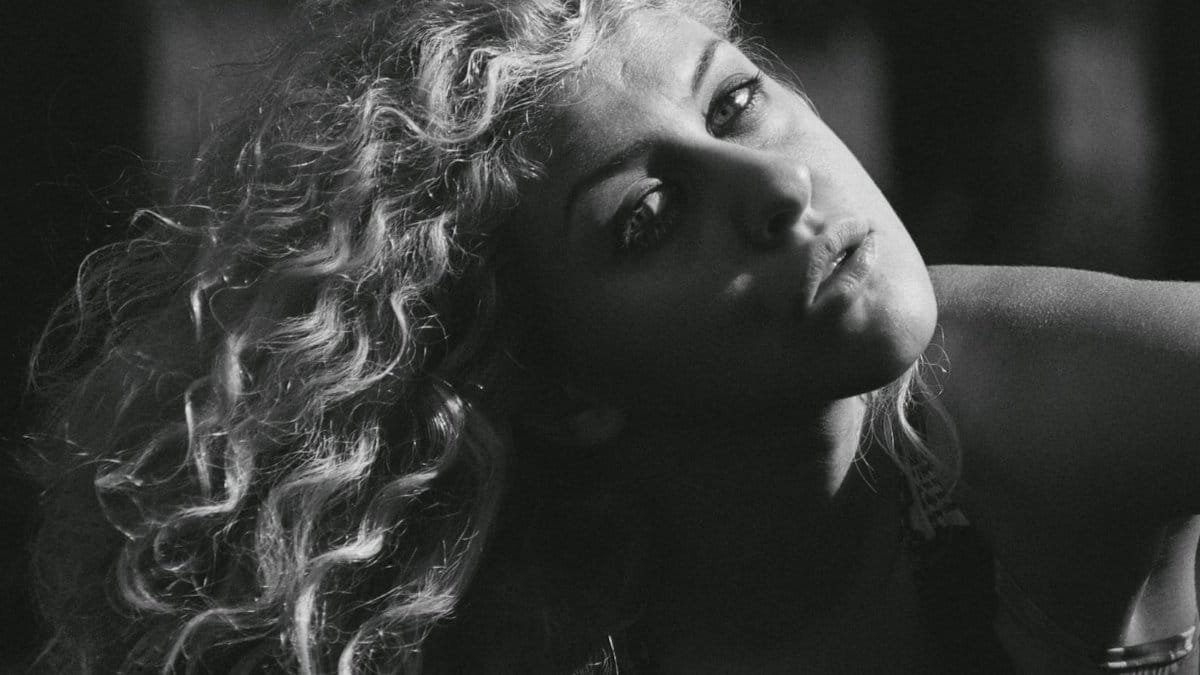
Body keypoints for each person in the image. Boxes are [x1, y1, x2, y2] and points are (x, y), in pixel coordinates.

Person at [24, 0, 1200, 672]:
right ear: (556, 388)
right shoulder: (512, 633)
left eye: (733, 101)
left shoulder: (1023, 401)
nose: (778, 192)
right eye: (646, 218)